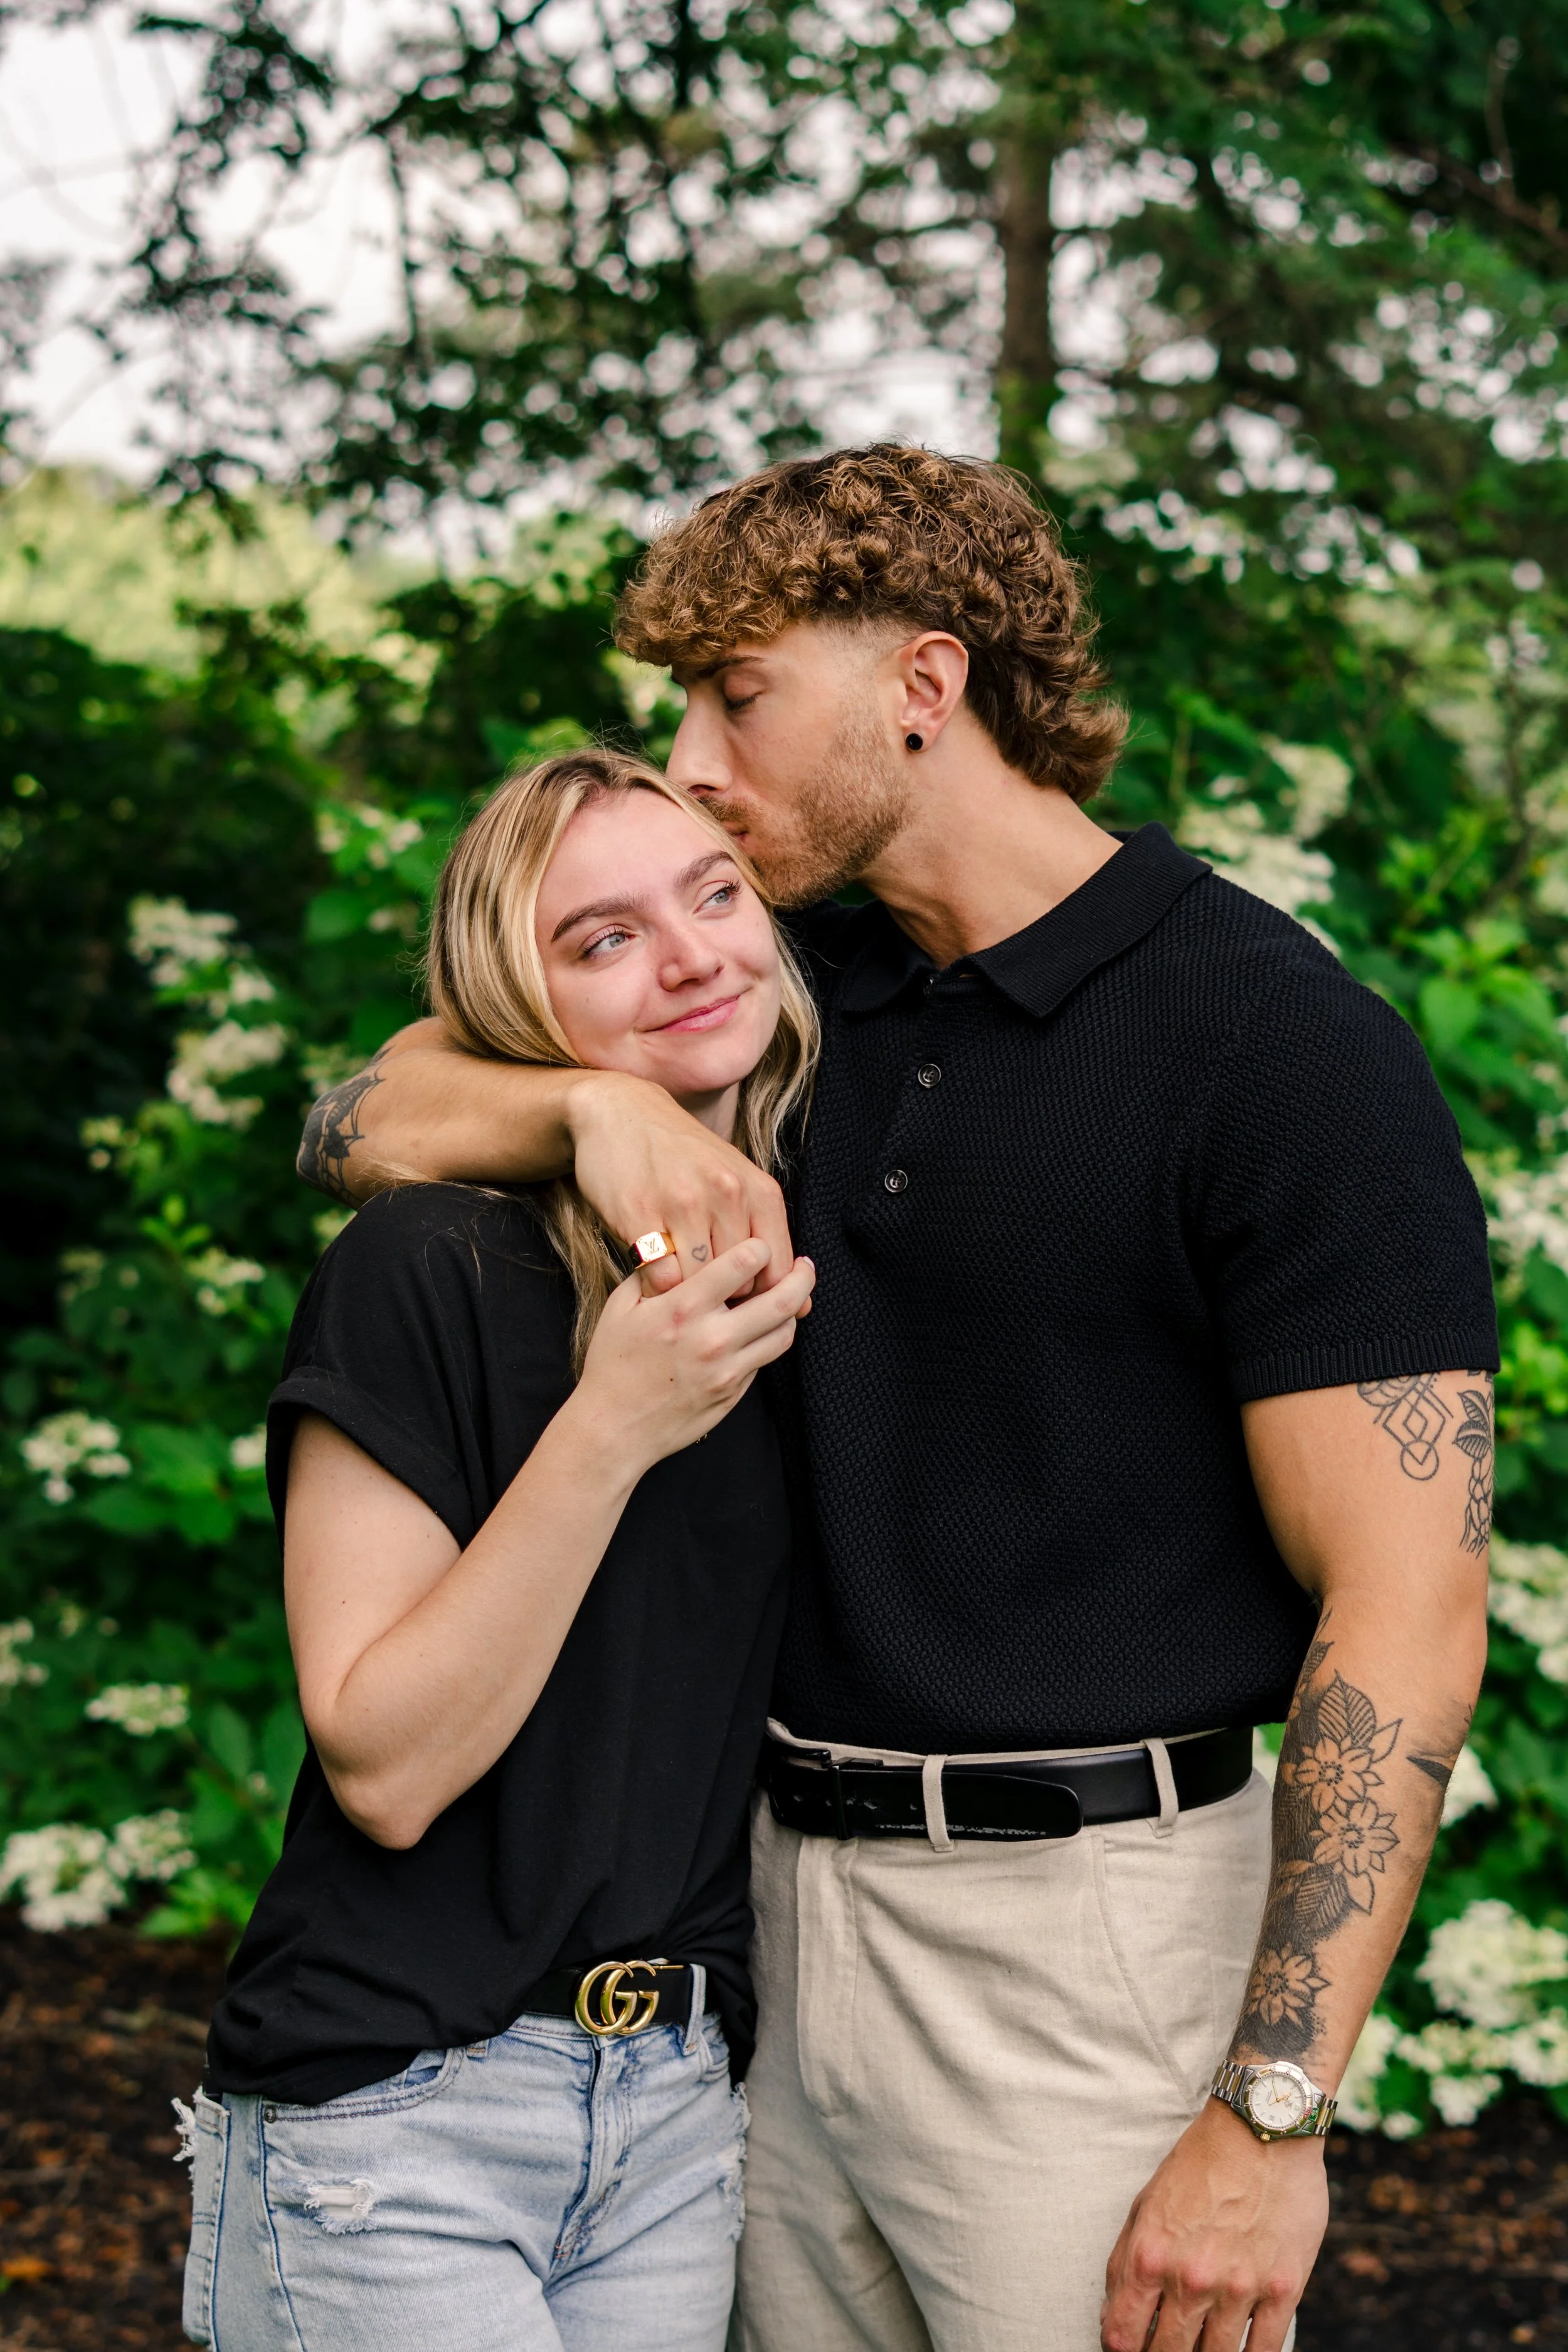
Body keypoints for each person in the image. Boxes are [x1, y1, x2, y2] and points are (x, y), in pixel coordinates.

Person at [297, 445, 1497, 2352]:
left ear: (921, 690)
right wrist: (596, 1105)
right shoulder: (780, 997)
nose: (689, 755)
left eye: (737, 694)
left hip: (1082, 1947)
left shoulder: (1272, 1044)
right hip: (764, 1935)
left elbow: (1410, 1607)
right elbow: (362, 1114)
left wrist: (1270, 2106)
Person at [181, 748, 818, 2352]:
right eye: (598, 940)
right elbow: (383, 1762)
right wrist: (612, 1423)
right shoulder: (424, 1267)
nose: (685, 956)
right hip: (403, 2110)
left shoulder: (812, 1238)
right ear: (514, 1014)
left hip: (676, 2110)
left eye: (715, 895)